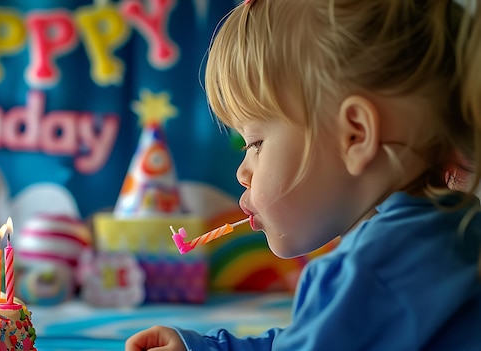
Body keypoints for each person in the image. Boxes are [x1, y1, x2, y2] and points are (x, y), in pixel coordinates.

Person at [125, 0, 481, 349]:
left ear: (355, 135)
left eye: (255, 143)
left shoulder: (372, 274)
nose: (242, 172)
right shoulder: (445, 236)